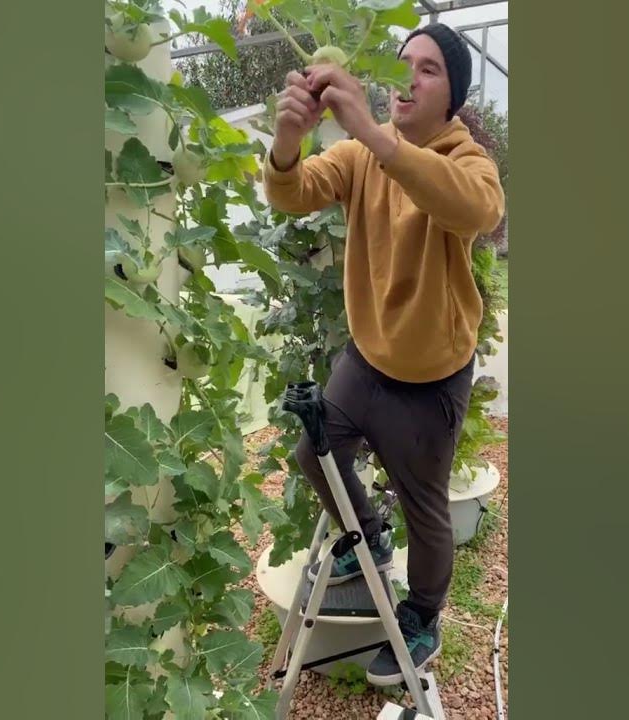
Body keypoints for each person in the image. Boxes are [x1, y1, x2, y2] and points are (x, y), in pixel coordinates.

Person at [262, 23, 505, 685]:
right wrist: (288, 140)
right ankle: (366, 537)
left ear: (452, 97)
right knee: (316, 452)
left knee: (424, 507)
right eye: (403, 65)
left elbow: (477, 209)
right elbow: (290, 193)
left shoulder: (464, 157)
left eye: (428, 70)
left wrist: (370, 131)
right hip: (367, 358)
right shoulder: (359, 159)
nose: (409, 78)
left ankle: (422, 613)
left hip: (431, 378)